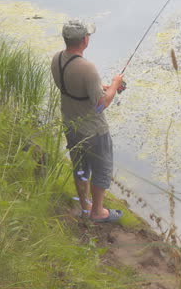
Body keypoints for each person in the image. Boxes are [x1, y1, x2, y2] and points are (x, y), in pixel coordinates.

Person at [51, 20, 125, 223]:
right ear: (84, 40)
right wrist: (115, 86)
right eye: (88, 36)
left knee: (80, 166)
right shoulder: (88, 68)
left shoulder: (58, 59)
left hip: (71, 124)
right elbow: (101, 105)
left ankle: (85, 205)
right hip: (94, 130)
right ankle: (98, 212)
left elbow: (73, 85)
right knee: (101, 169)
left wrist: (106, 87)